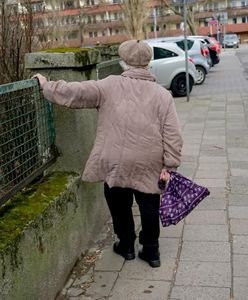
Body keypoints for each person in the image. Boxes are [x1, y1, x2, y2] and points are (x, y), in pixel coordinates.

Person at [33, 39, 183, 268]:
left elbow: (76, 93)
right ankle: (152, 252)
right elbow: (173, 133)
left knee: (119, 204)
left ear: (124, 62)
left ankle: (126, 245)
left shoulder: (108, 85)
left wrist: (46, 85)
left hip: (116, 159)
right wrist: (170, 165)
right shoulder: (162, 94)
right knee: (149, 204)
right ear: (147, 63)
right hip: (150, 161)